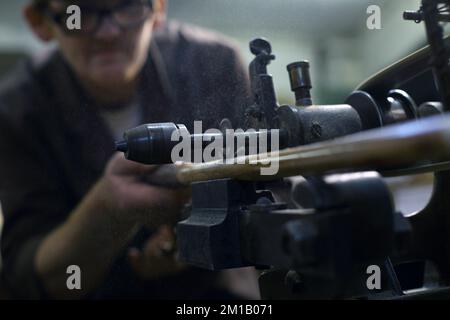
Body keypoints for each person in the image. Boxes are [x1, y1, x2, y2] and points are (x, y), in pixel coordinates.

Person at [0, 0, 259, 299]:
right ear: (40, 22)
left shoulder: (214, 65)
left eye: (129, 7)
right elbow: (28, 279)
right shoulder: (18, 111)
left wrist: (199, 233)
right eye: (79, 14)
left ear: (158, 9)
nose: (109, 32)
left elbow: (272, 191)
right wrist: (107, 211)